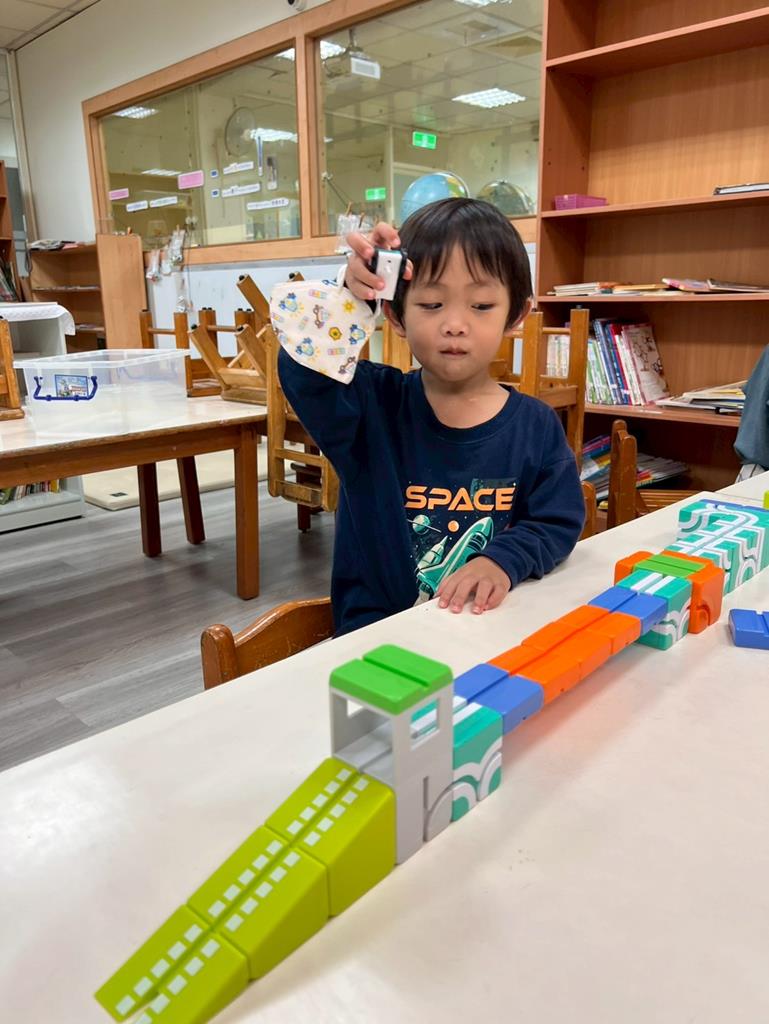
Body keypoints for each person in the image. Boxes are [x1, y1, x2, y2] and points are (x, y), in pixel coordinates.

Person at [270, 197, 585, 636]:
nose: (455, 324)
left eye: (481, 306)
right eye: (432, 304)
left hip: (489, 632)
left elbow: (556, 520)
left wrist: (502, 560)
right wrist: (348, 299)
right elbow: (306, 372)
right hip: (378, 639)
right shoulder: (369, 406)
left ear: (516, 314)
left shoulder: (536, 426)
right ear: (396, 315)